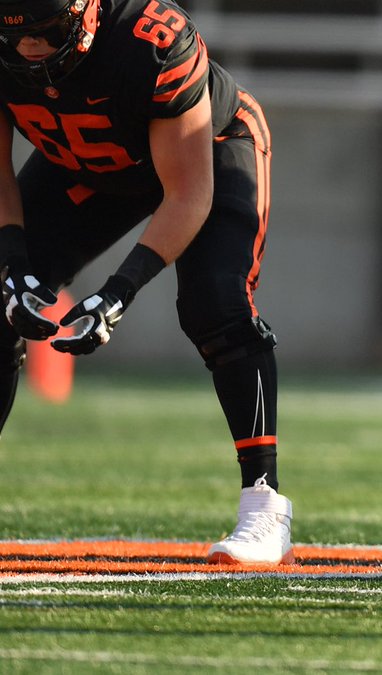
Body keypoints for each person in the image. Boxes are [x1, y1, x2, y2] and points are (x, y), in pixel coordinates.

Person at [0, 0, 291, 565]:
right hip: (85, 164)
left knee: (217, 306)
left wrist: (118, 291)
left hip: (205, 151)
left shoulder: (152, 40)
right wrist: (12, 265)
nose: (30, 50)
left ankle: (264, 506)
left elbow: (187, 194)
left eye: (46, 31)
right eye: (15, 35)